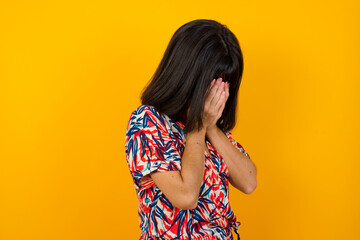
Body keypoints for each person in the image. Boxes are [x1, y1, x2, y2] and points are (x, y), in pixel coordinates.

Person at [125, 19, 257, 240]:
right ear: (188, 74)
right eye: (214, 83)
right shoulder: (147, 121)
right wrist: (198, 126)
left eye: (226, 85)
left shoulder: (210, 128)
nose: (219, 93)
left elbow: (249, 182)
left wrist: (210, 126)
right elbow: (185, 196)